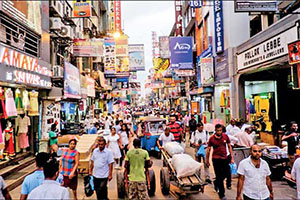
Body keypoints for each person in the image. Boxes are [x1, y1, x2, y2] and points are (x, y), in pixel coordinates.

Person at [206, 124, 234, 199]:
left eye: (220, 130)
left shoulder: (225, 136)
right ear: (215, 130)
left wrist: (231, 158)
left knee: (227, 173)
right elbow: (208, 150)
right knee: (218, 176)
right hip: (216, 160)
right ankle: (222, 194)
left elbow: (229, 146)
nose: (219, 132)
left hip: (225, 158)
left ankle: (216, 182)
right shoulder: (211, 138)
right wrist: (207, 160)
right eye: (217, 130)